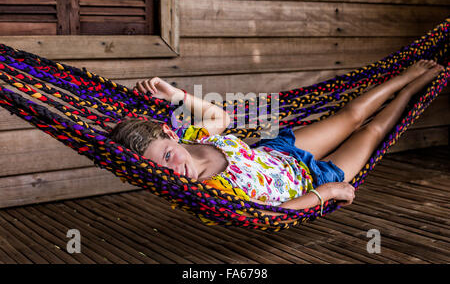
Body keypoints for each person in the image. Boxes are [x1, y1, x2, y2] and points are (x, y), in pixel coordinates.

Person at [109, 60, 444, 215]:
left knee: (351, 117)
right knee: (372, 131)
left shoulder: (192, 136)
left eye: (168, 155)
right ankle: (414, 90)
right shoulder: (206, 193)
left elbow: (220, 118)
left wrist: (173, 94)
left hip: (281, 152)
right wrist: (324, 193)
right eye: (159, 170)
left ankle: (406, 76)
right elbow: (269, 215)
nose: (173, 171)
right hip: (313, 180)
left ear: (171, 133)